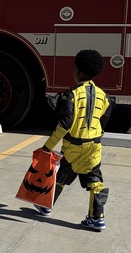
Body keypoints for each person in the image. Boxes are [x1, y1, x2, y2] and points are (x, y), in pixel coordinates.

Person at [34, 49, 114, 231]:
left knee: (62, 176)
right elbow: (104, 121)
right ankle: (97, 217)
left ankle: (46, 205)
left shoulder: (70, 95)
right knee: (94, 180)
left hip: (73, 147)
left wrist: (47, 148)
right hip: (94, 146)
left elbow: (63, 125)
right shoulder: (105, 96)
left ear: (77, 71)